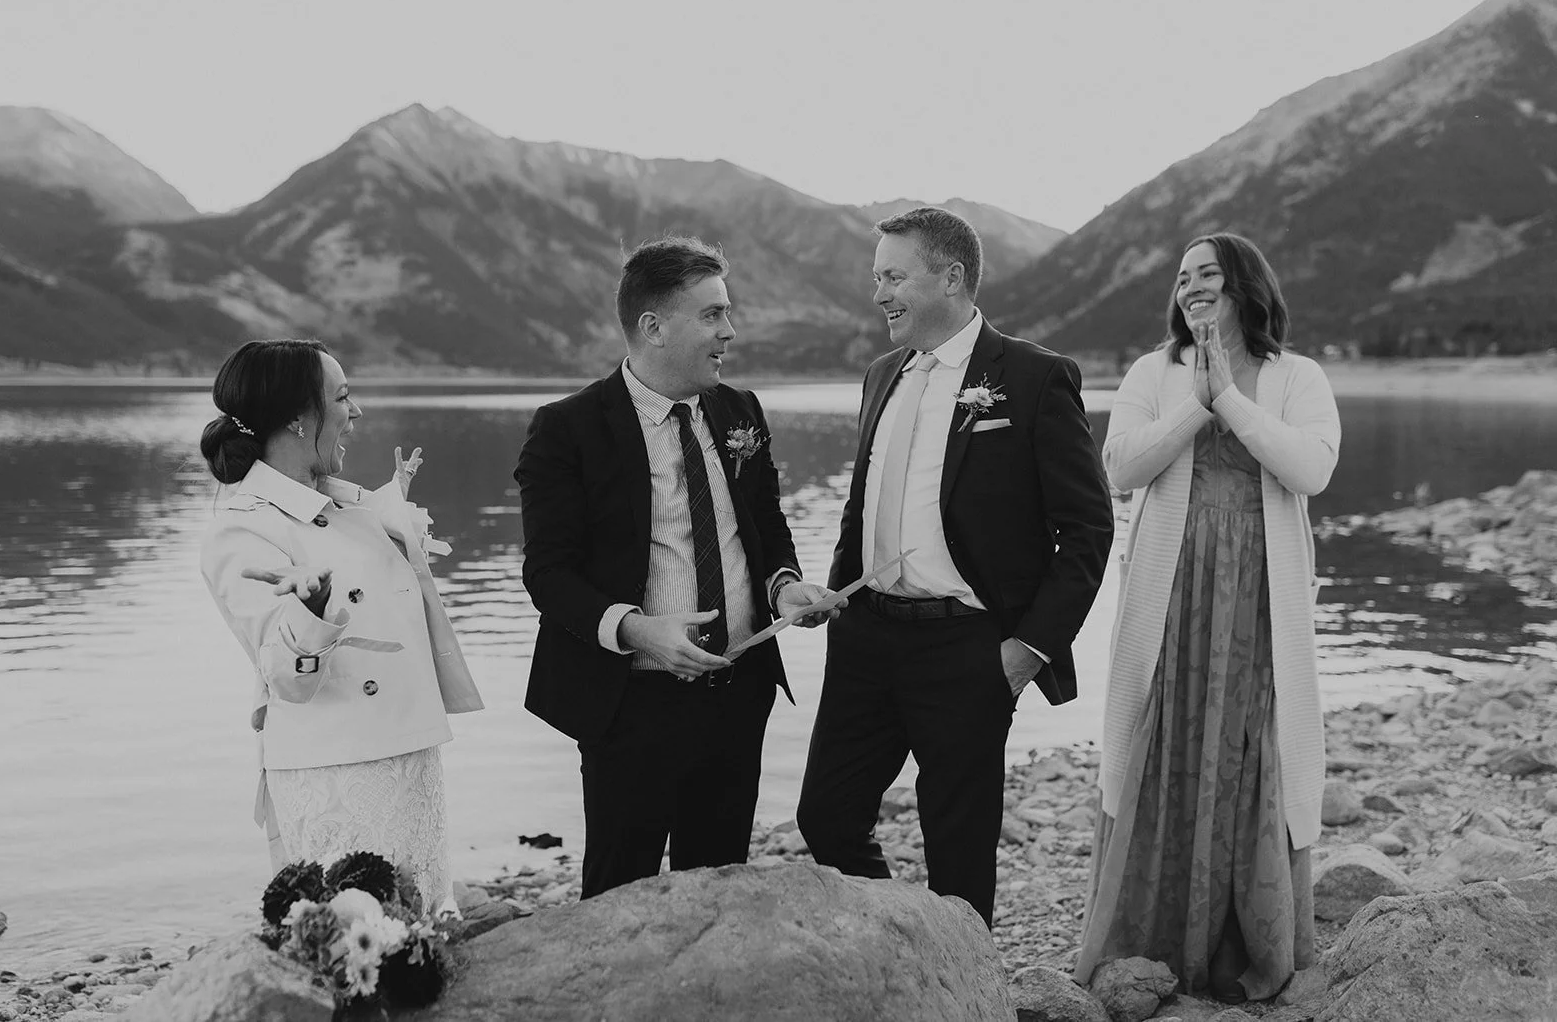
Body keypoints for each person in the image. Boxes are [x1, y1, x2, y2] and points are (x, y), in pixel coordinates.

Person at [796, 207, 1114, 928]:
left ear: (951, 277)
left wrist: (1027, 650)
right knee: (827, 817)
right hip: (866, 639)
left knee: (959, 847)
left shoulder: (1034, 378)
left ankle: (964, 990)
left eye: (894, 276)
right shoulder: (881, 375)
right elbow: (864, 504)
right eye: (877, 277)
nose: (880, 294)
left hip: (970, 648)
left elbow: (1089, 527)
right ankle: (903, 945)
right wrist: (836, 591)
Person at [515, 235, 837, 899]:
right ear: (653, 327)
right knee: (617, 893)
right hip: (630, 703)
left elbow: (768, 528)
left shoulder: (740, 410)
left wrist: (786, 588)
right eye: (713, 314)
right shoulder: (567, 429)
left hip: (738, 692)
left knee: (719, 887)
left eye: (727, 312)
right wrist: (636, 628)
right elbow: (548, 574)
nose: (731, 330)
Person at [1076, 233, 1341, 1000]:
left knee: (1253, 733)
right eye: (1183, 278)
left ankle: (1247, 943)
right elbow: (1120, 467)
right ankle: (1146, 937)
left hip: (1261, 592)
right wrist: (1196, 405)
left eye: (1208, 276)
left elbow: (1311, 469)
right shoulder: (1152, 373)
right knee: (1162, 730)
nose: (1192, 288)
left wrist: (1229, 397)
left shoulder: (1296, 376)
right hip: (1172, 586)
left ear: (1243, 287)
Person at [199, 339, 483, 915]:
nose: (357, 413)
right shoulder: (241, 531)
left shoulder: (342, 505)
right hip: (339, 771)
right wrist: (310, 609)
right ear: (299, 419)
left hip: (406, 752)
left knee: (423, 923)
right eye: (343, 397)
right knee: (360, 934)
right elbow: (286, 679)